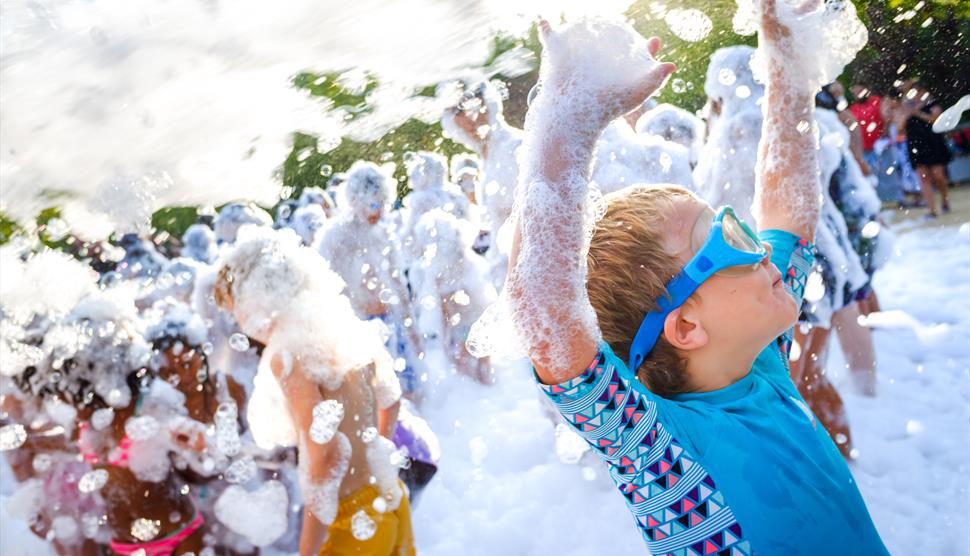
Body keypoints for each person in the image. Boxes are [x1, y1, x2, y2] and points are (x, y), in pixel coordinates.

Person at [501, 6, 887, 555]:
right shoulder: (662, 454)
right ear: (685, 325)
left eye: (734, 223)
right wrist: (570, 119)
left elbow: (789, 213)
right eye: (728, 241)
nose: (757, 245)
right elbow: (546, 318)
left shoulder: (761, 361)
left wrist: (786, 55)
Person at [213, 229, 414, 556]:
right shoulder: (340, 324)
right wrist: (372, 459)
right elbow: (390, 400)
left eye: (235, 308)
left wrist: (307, 551)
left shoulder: (286, 354)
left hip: (351, 523)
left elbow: (325, 455)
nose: (237, 320)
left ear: (258, 298)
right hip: (388, 499)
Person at [904, 82, 953, 218]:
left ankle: (944, 199)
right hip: (916, 145)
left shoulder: (932, 104)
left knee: (938, 176)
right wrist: (906, 114)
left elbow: (936, 119)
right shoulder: (907, 108)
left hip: (933, 143)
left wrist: (918, 113)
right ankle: (932, 210)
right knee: (924, 178)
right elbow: (900, 128)